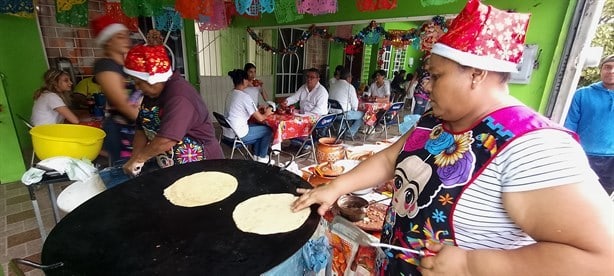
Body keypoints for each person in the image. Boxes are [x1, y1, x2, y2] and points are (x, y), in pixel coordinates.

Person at [292, 1, 614, 275]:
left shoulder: (533, 146)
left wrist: (472, 265)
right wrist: (335, 187)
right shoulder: (437, 119)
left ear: (477, 74)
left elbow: (601, 258)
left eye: (436, 76)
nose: (426, 87)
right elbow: (392, 158)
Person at [122, 31, 223, 176]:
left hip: (203, 164)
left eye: (139, 82)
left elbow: (167, 139)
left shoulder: (179, 96)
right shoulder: (153, 93)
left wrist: (139, 158)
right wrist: (135, 160)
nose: (137, 87)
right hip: (172, 165)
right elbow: (141, 129)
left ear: (155, 79)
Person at [91, 15, 140, 164]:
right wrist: (152, 125)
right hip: (120, 130)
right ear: (108, 41)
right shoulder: (105, 65)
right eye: (120, 37)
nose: (127, 40)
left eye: (127, 36)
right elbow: (121, 104)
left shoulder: (128, 65)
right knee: (124, 172)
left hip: (136, 127)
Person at [564, 54, 614, 194]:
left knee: (602, 196)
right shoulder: (582, 94)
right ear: (601, 70)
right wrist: (569, 150)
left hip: (611, 159)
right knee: (575, 193)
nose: (611, 71)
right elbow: (570, 124)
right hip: (583, 155)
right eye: (607, 67)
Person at [223, 69, 274, 163]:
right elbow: (261, 118)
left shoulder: (230, 94)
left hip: (228, 132)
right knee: (268, 130)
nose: (249, 81)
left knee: (260, 129)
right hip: (238, 134)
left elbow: (240, 110)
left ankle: (256, 156)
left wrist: (257, 110)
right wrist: (267, 113)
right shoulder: (244, 96)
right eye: (247, 79)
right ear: (244, 80)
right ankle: (262, 157)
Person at [328, 69, 364, 138]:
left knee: (348, 112)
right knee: (363, 115)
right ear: (348, 77)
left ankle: (342, 130)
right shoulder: (349, 87)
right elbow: (355, 105)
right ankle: (350, 133)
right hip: (342, 115)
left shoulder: (333, 85)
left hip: (330, 114)